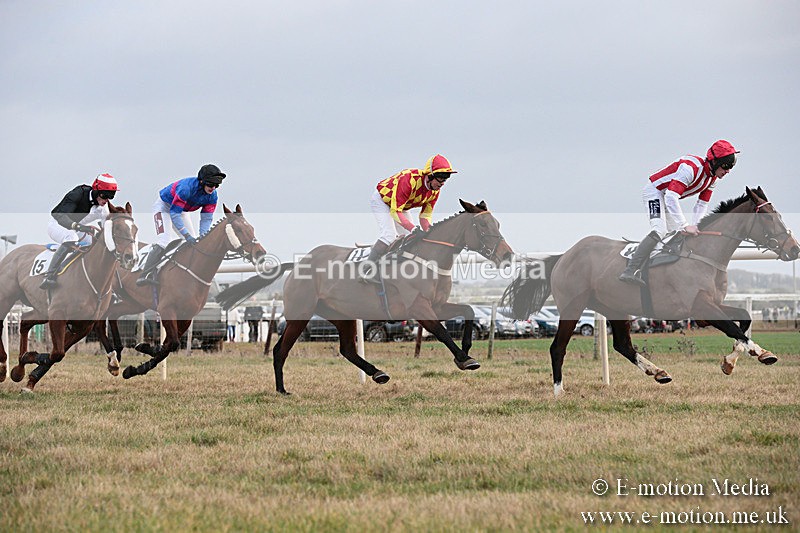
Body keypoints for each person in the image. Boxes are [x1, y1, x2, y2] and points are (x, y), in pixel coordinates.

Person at [619, 140, 739, 287]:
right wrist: (685, 225)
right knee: (660, 230)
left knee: (674, 234)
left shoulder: (712, 178)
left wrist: (697, 226)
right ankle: (630, 270)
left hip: (667, 196)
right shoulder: (691, 169)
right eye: (726, 166)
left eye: (731, 167)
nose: (728, 171)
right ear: (715, 162)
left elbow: (702, 204)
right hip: (655, 192)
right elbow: (670, 196)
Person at [360, 154, 456, 283]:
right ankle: (366, 271)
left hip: (401, 206)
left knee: (409, 239)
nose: (442, 183)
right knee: (389, 236)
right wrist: (413, 228)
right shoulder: (410, 180)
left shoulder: (434, 191)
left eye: (446, 179)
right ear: (430, 175)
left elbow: (425, 216)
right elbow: (395, 211)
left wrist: (429, 232)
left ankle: (395, 271)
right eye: (440, 178)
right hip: (382, 201)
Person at [136, 164, 226, 286]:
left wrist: (203, 236)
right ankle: (145, 274)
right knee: (164, 241)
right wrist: (186, 235)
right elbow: (174, 214)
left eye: (216, 185)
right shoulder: (186, 189)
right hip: (165, 207)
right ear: (201, 181)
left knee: (195, 243)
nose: (213, 188)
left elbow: (206, 218)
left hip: (181, 210)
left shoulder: (213, 196)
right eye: (210, 184)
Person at [40, 173, 119, 289]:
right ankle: (49, 275)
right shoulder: (78, 194)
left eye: (111, 196)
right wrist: (78, 227)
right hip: (58, 225)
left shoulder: (104, 209)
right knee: (71, 237)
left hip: (78, 229)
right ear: (96, 190)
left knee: (94, 243)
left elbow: (105, 231)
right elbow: (59, 216)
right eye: (105, 195)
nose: (107, 200)